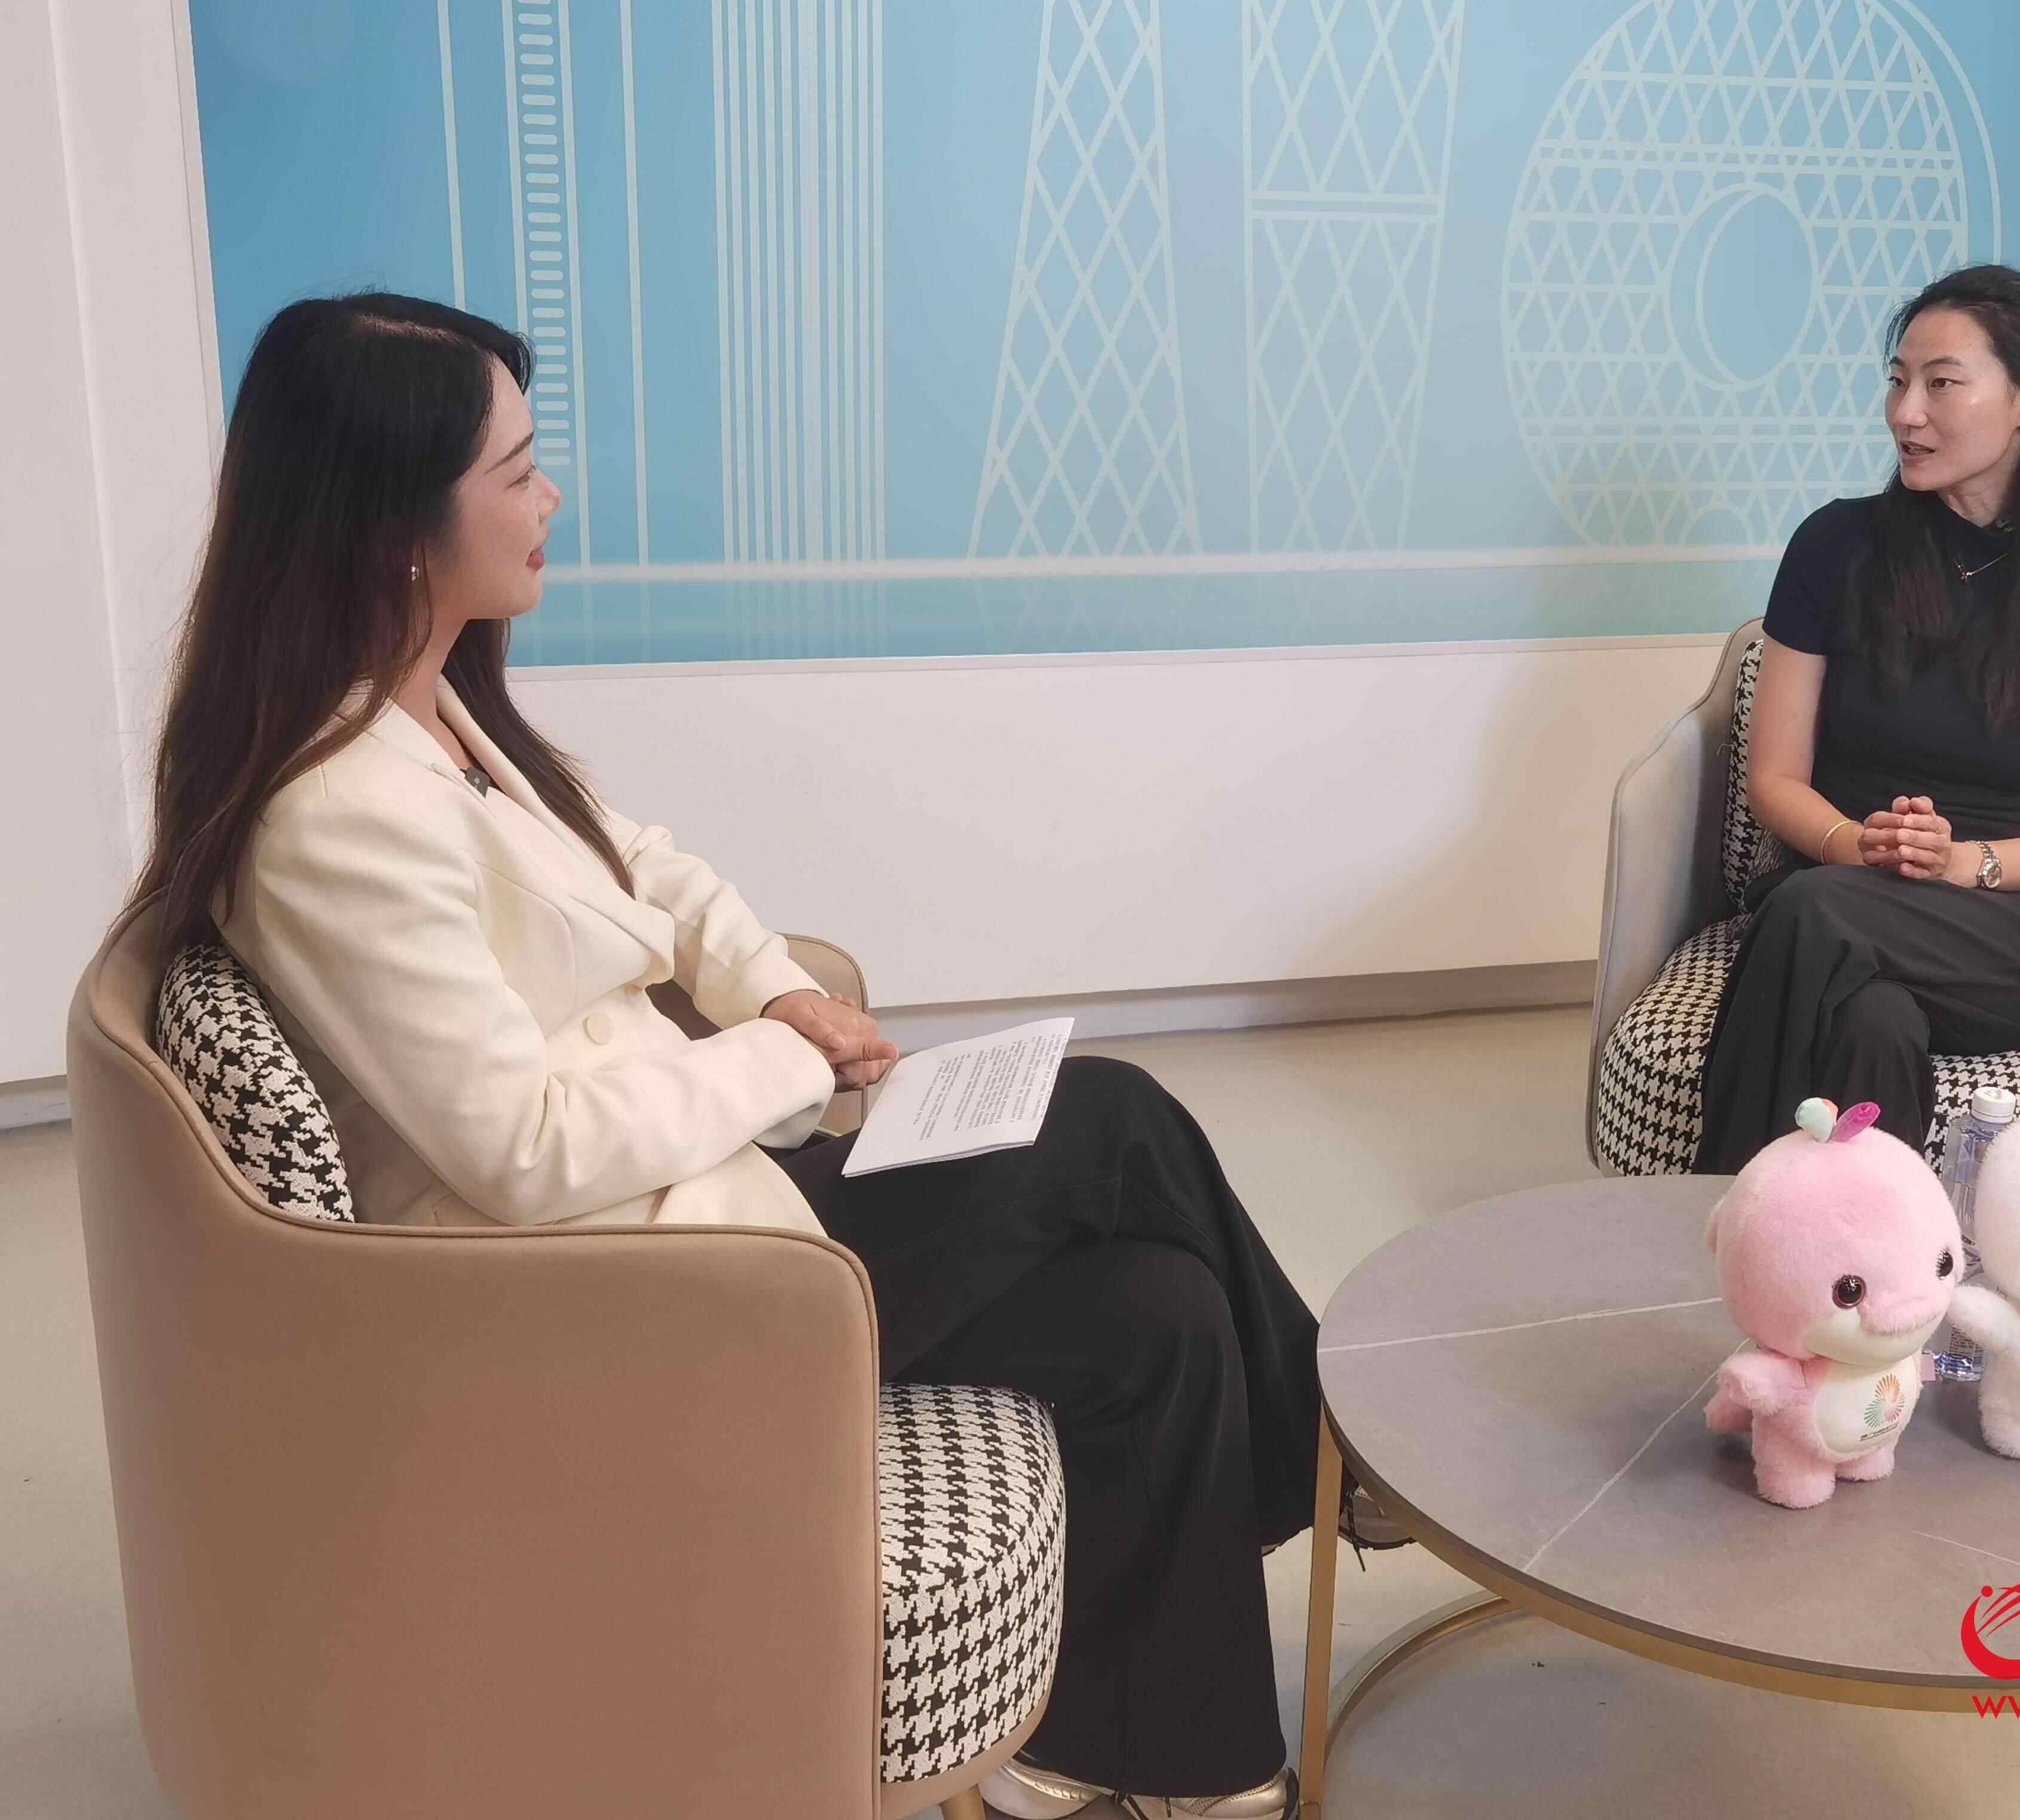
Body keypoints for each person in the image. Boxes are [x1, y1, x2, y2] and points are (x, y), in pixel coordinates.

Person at [133, 293, 1382, 1820]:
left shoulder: (433, 709)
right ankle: (1334, 1450)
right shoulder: (333, 816)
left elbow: (642, 867)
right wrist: (791, 1069)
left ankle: (1137, 1759)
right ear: (398, 526)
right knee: (1109, 1117)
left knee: (1158, 1317)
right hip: (630, 1305)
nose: (551, 498)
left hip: (698, 1216)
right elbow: (522, 1148)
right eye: (516, 473)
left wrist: (781, 993)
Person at [1696, 265, 2020, 1173]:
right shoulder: (1835, 545)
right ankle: (1881, 1253)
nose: (1905, 412)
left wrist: (1964, 863)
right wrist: (1858, 846)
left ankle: (1714, 1220)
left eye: (1942, 383)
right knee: (1873, 1024)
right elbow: (1774, 779)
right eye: (1898, 380)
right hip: (1845, 884)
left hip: (2012, 923)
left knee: (1807, 918)